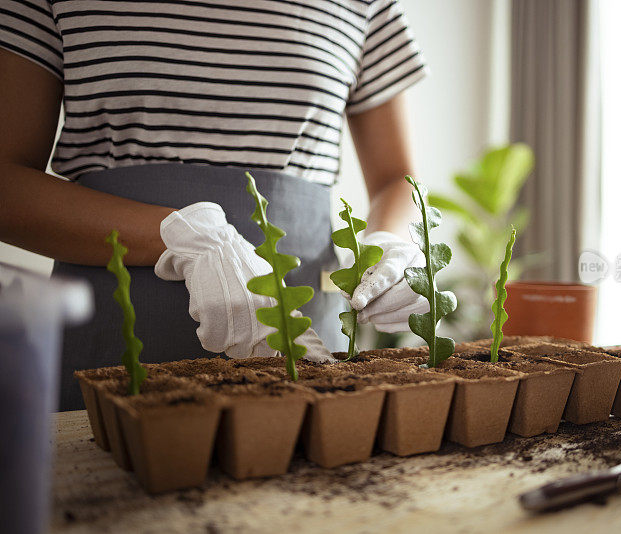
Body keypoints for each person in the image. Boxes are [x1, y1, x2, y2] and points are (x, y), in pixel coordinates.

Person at [0, 0, 430, 410]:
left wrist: (388, 243)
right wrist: (185, 239)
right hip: (112, 325)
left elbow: (397, 178)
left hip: (303, 323)